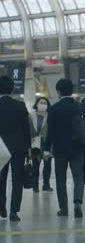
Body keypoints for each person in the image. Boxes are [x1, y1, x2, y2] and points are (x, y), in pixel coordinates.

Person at [44, 78, 84, 218]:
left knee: (60, 179)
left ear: (58, 92)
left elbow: (51, 132)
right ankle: (78, 202)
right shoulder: (79, 107)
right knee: (78, 176)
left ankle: (64, 209)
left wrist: (46, 150)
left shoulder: (54, 108)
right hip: (78, 147)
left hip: (60, 149)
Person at [0, 76, 31, 222]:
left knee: (1, 180)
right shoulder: (20, 105)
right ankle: (14, 212)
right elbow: (26, 130)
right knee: (17, 180)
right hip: (18, 147)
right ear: (12, 89)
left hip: (0, 149)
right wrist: (29, 148)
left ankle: (1, 209)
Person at [30, 97, 53, 193]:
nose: (43, 104)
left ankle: (46, 184)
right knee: (36, 165)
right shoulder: (31, 116)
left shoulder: (50, 115)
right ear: (37, 104)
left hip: (47, 143)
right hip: (35, 143)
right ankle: (35, 186)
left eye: (45, 103)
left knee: (47, 165)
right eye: (41, 102)